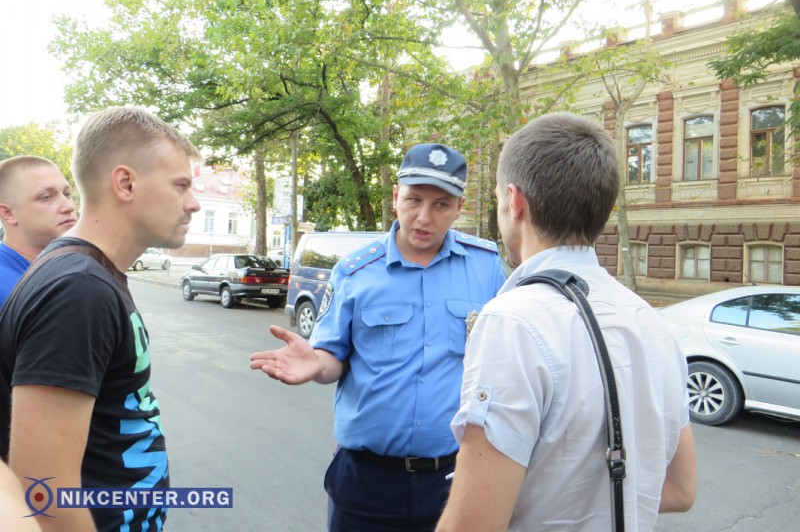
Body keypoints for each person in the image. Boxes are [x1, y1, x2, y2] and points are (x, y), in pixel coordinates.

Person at [436, 113, 697, 532]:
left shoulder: (513, 321)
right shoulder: (651, 323)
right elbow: (681, 489)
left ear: (514, 201)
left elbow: (472, 525)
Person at [251, 143, 507, 531]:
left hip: (454, 479)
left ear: (459, 206)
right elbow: (331, 357)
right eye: (414, 199)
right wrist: (316, 362)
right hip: (365, 482)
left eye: (441, 204)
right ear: (395, 197)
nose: (423, 216)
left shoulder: (487, 268)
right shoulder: (355, 272)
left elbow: (503, 361)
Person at [0, 106, 202, 532]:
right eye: (180, 185)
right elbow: (43, 492)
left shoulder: (88, 274)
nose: (193, 203)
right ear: (125, 182)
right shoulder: (78, 289)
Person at [0, 156, 77, 305]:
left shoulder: (81, 269)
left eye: (67, 194)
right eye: (47, 197)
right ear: (8, 213)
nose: (69, 206)